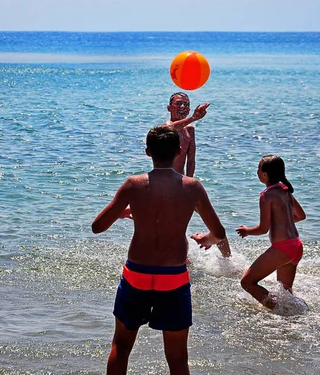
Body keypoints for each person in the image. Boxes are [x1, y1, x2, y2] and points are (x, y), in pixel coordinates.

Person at [92, 125, 230, 375]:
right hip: (174, 277)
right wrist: (206, 238)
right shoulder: (192, 187)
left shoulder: (133, 184)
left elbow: (97, 227)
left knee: (121, 346)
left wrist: (121, 213)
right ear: (179, 152)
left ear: (147, 152)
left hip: (136, 274)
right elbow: (219, 233)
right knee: (177, 358)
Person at [236, 155, 306, 310]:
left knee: (247, 282)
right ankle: (293, 315)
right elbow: (301, 216)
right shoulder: (285, 191)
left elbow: (263, 229)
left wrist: (247, 231)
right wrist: (283, 221)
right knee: (285, 292)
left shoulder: (266, 195)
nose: (257, 171)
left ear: (265, 174)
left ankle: (278, 311)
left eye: (258, 168)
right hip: (296, 245)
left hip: (282, 248)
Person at [165, 92, 210, 177]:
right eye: (178, 103)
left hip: (180, 179)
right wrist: (193, 118)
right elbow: (172, 128)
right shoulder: (166, 126)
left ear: (189, 110)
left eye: (186, 105)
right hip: (164, 180)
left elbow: (191, 160)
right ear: (169, 108)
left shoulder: (190, 130)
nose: (182, 107)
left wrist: (189, 182)